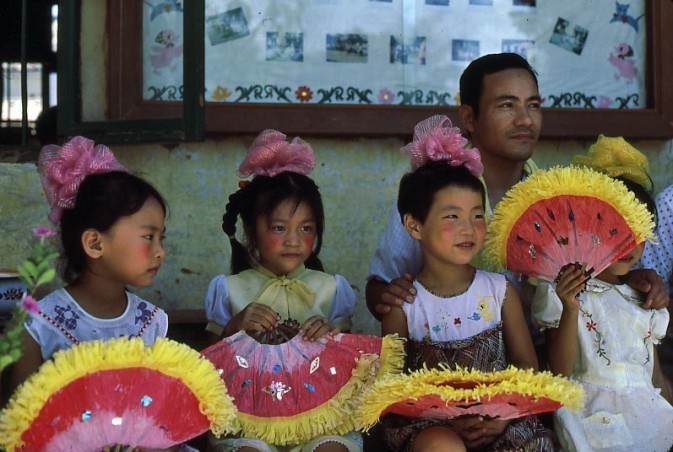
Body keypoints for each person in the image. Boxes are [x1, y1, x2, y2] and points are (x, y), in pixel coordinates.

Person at [366, 53, 668, 328]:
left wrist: (632, 282)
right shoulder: (435, 191)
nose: (525, 119)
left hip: (543, 361)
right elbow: (378, 287)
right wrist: (389, 294)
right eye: (507, 105)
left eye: (533, 105)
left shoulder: (559, 198)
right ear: (469, 118)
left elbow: (594, 279)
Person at [380, 115, 553, 451]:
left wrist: (503, 415)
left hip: (503, 418)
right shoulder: (403, 306)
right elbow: (390, 388)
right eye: (452, 217)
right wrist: (447, 418)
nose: (469, 228)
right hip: (430, 424)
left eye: (477, 215)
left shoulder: (500, 292)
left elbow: (527, 370)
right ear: (414, 226)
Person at [204, 129, 360, 452]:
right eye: (279, 228)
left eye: (306, 228)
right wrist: (235, 328)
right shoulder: (230, 289)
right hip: (249, 417)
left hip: (319, 417)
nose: (294, 239)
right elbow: (209, 368)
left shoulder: (331, 288)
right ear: (251, 230)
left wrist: (331, 336)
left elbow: (349, 365)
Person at [532, 136, 673, 451]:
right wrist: (569, 307)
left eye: (638, 233)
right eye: (615, 230)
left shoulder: (643, 296)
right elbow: (560, 372)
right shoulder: (567, 290)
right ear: (586, 228)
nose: (629, 244)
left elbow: (654, 379)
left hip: (650, 417)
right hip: (591, 416)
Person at [10, 136, 169, 391]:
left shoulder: (152, 324)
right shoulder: (39, 325)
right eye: (148, 237)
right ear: (95, 243)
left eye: (162, 237)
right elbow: (20, 419)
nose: (160, 251)